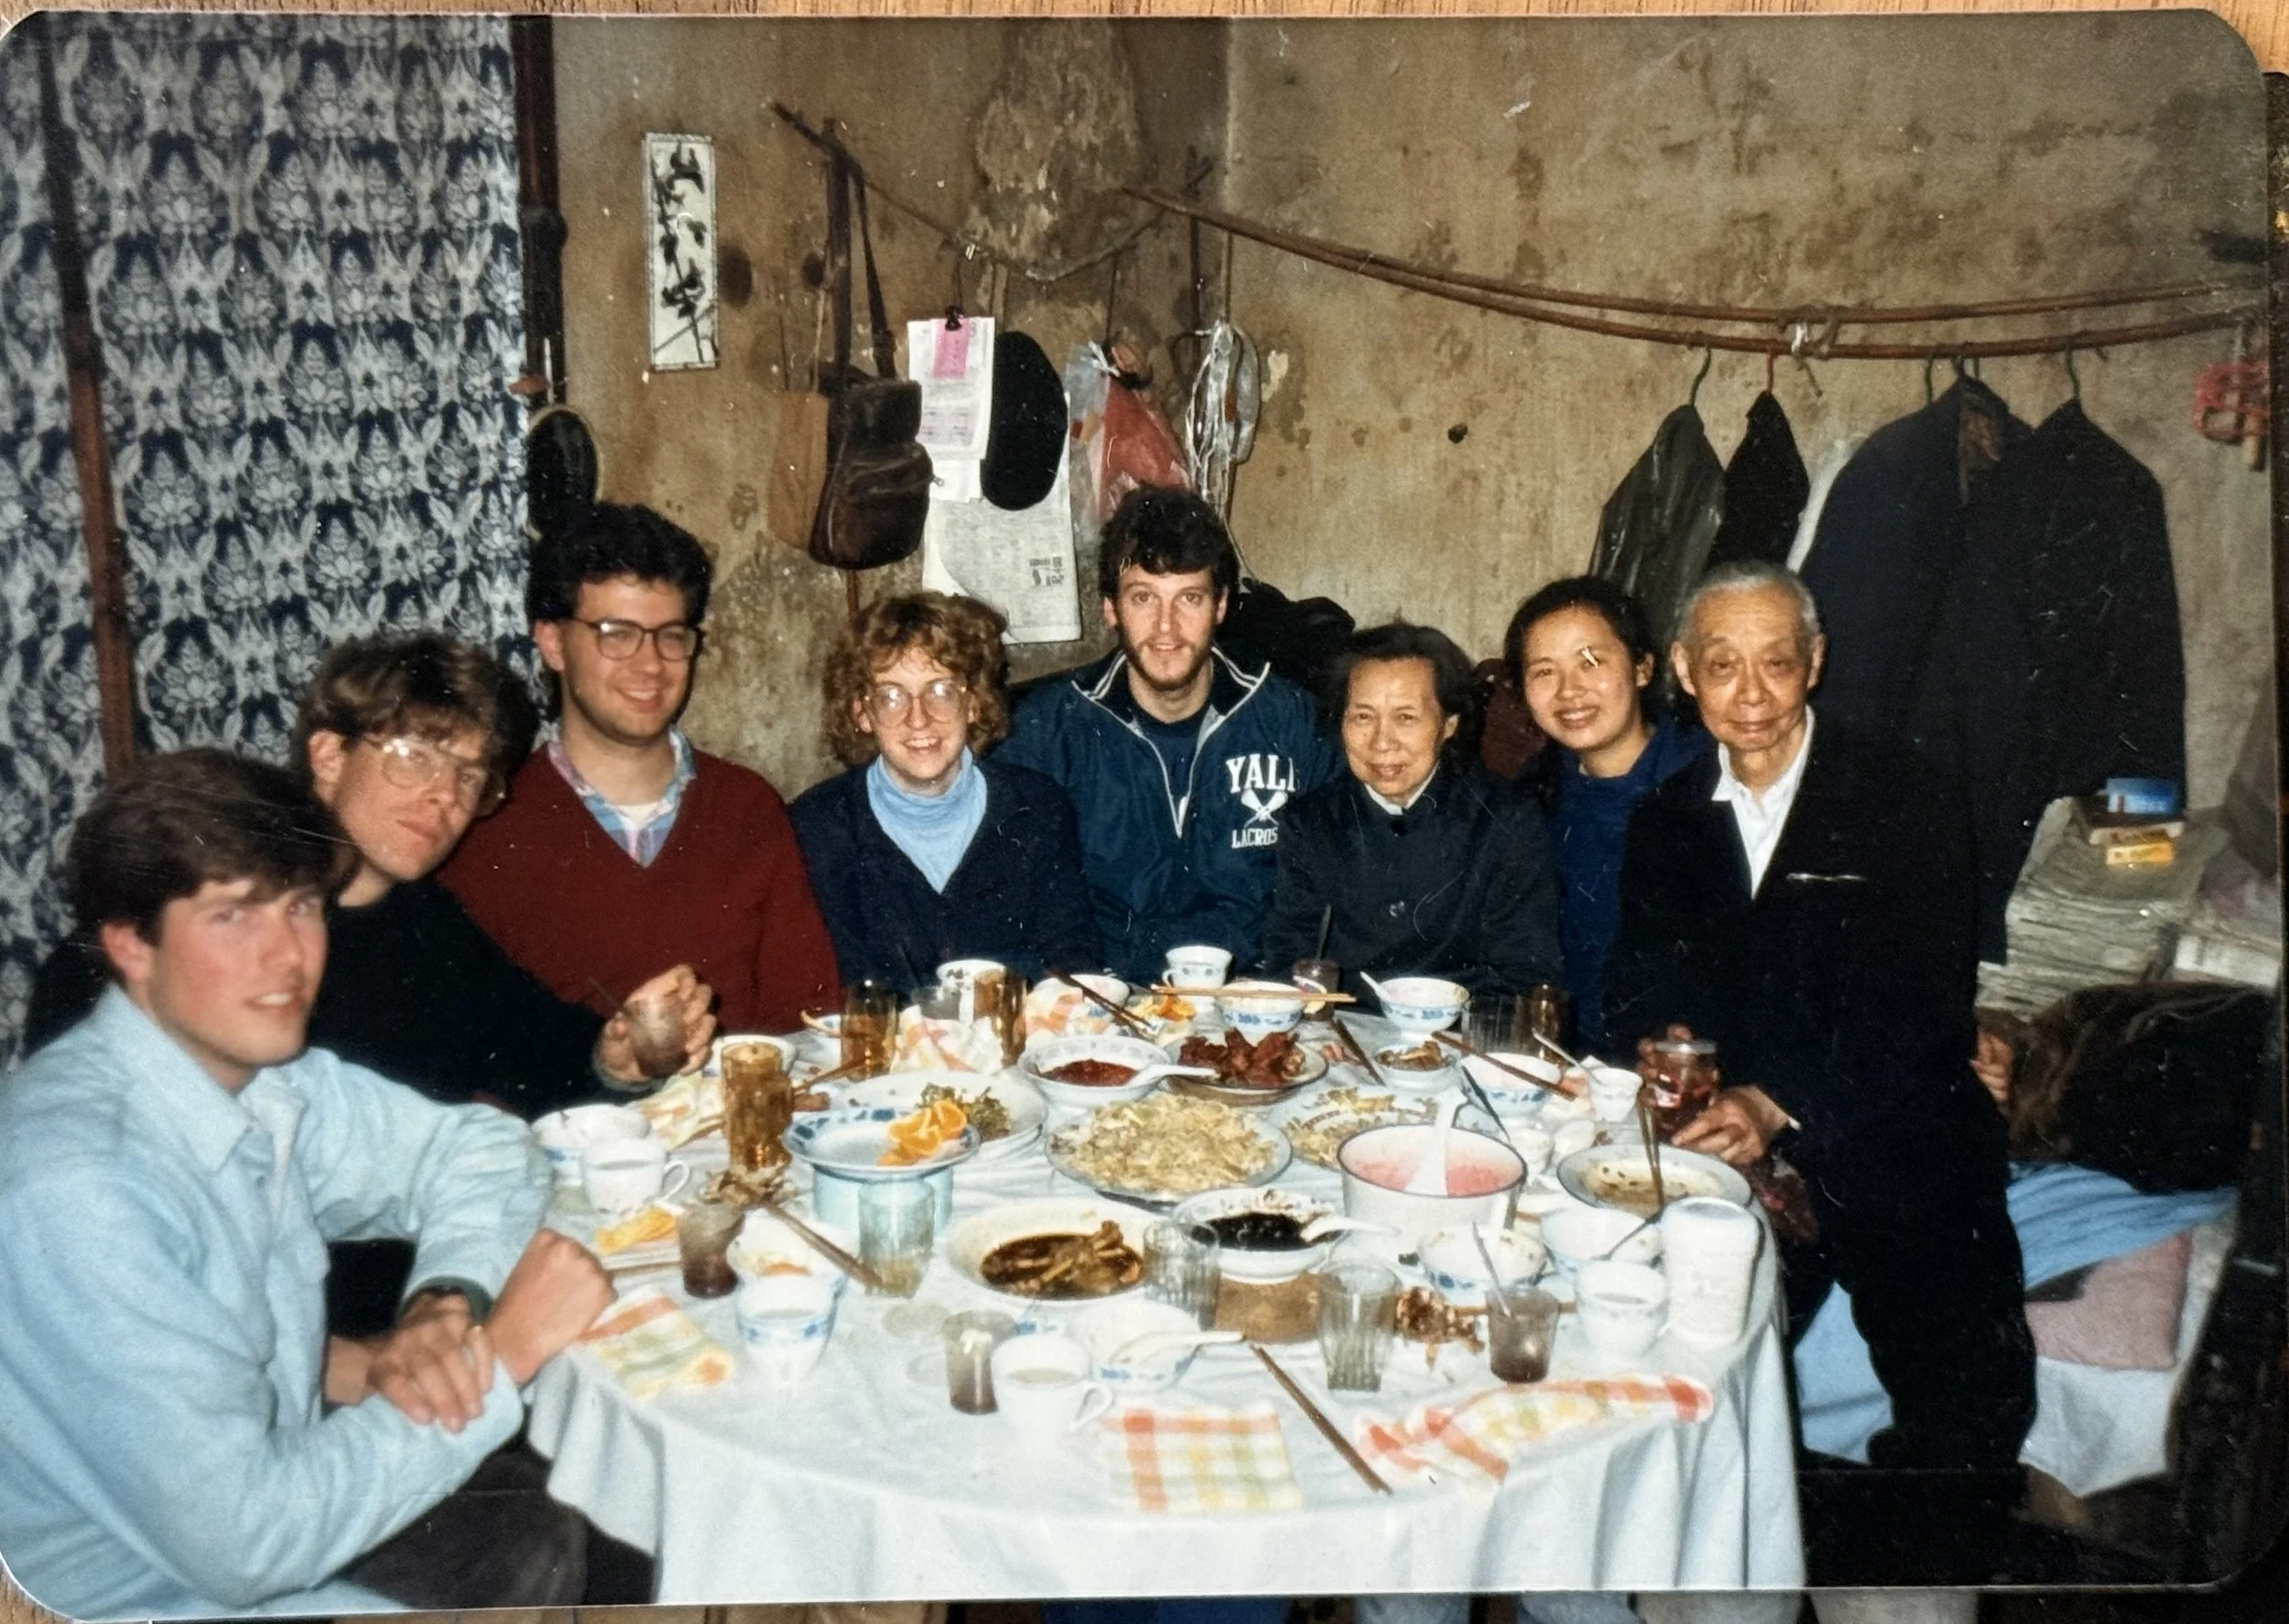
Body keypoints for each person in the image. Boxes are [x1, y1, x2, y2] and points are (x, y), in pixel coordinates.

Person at [0, 751, 613, 1619]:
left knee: (547, 1523)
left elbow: (481, 1149)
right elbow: (247, 1542)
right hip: (135, 1591)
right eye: (233, 915)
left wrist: (442, 1305)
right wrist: (499, 1351)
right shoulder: (81, 1190)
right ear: (131, 943)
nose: (287, 956)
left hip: (253, 1486)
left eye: (299, 906)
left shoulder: (256, 1077)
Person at [1602, 563, 2034, 1555]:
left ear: (1816, 663)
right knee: (1672, 1377)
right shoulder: (1667, 816)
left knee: (1961, 1413)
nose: (1749, 694)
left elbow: (1921, 1002)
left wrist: (1774, 1097)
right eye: (1721, 666)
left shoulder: (1906, 795)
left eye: (1775, 663)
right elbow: (1642, 977)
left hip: (1897, 1135)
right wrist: (1675, 1050)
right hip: (1744, 1153)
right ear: (1681, 671)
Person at [441, 502, 841, 1032]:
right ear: (553, 642)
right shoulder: (487, 826)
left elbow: (811, 1020)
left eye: (671, 635)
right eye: (617, 633)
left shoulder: (746, 807)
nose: (651, 664)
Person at [998, 486, 1340, 984]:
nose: (1166, 627)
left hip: (1255, 997)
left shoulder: (1288, 719)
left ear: (1221, 606)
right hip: (1109, 999)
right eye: (1143, 598)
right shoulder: (1051, 730)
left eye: (1190, 598)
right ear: (1111, 609)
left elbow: (1344, 875)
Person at [790, 591, 1098, 991]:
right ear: (862, 714)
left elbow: (1073, 965)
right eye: (891, 696)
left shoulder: (1037, 808)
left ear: (974, 703)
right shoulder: (817, 829)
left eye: (940, 690)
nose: (918, 719)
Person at [1261, 620, 1561, 1001]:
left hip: (1461, 1041)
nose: (1382, 742)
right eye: (1363, 716)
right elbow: (1290, 960)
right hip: (1342, 1038)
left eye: (1406, 717)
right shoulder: (1310, 822)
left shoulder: (1505, 819)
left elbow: (1525, 973)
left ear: (1448, 724)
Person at [1505, 577, 1711, 1054]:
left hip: (1683, 1064)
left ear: (1642, 667)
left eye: (1591, 661)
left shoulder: (1707, 779)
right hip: (1567, 1060)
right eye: (1544, 671)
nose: (1569, 691)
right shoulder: (1531, 798)